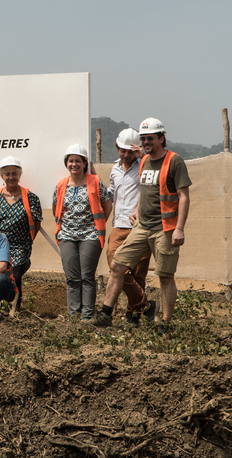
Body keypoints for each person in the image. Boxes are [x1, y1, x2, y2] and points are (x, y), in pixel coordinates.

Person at [91, 118, 191, 330]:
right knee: (118, 265)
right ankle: (106, 314)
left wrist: (179, 229)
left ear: (161, 138)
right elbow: (145, 193)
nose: (146, 142)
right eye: (144, 138)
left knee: (164, 276)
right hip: (141, 227)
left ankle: (166, 323)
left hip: (164, 228)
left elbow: (183, 196)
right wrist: (137, 210)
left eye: (150, 138)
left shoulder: (174, 161)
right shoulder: (144, 162)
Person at [52, 144, 113, 319]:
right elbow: (57, 208)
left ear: (84, 163)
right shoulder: (61, 185)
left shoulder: (95, 182)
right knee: (72, 278)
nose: (74, 164)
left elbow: (107, 205)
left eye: (78, 161)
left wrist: (97, 225)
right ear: (67, 163)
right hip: (67, 236)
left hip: (90, 235)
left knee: (87, 276)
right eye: (71, 161)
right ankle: (73, 316)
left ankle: (86, 316)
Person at [107, 128, 155, 326]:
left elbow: (151, 188)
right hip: (119, 225)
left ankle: (132, 316)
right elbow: (111, 193)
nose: (126, 155)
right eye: (123, 150)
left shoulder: (145, 166)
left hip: (139, 225)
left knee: (138, 272)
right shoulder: (115, 169)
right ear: (117, 148)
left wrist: (143, 158)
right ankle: (146, 305)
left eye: (130, 151)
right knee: (115, 266)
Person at [0, 156, 42, 316]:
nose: (11, 177)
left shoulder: (31, 197)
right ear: (2, 176)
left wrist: (28, 240)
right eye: (7, 174)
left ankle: (15, 309)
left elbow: (37, 222)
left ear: (20, 175)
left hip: (21, 244)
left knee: (16, 275)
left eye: (14, 174)